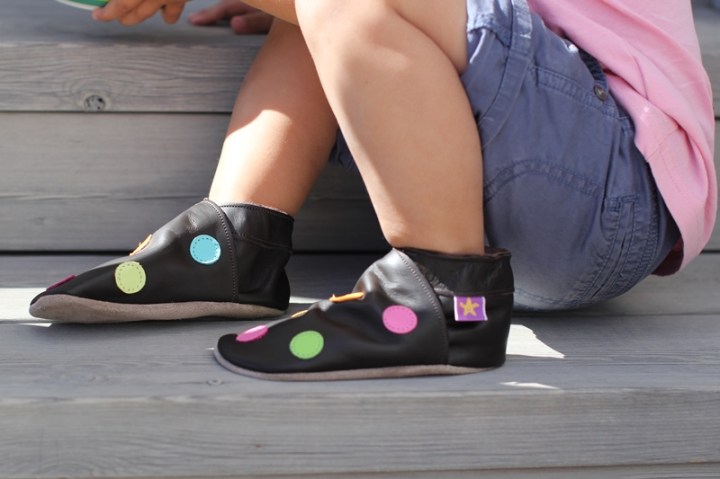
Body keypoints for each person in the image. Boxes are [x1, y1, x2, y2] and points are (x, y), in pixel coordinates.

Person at [30, 0, 715, 381]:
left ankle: (444, 302)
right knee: (315, 14)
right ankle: (234, 243)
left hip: (609, 185)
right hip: (544, 185)